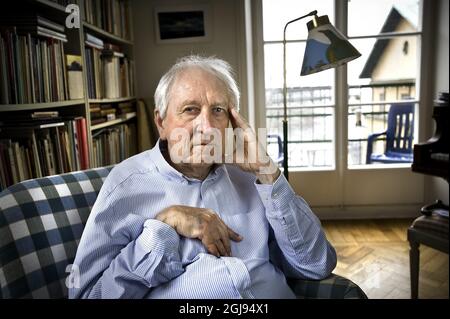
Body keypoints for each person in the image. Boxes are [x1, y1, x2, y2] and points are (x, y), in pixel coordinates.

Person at [69, 55, 336, 299]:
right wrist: (164, 226)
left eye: (218, 110)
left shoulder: (251, 176)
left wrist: (268, 172)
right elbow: (89, 295)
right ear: (161, 122)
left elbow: (316, 264)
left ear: (232, 122)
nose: (206, 127)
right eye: (190, 109)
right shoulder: (126, 185)